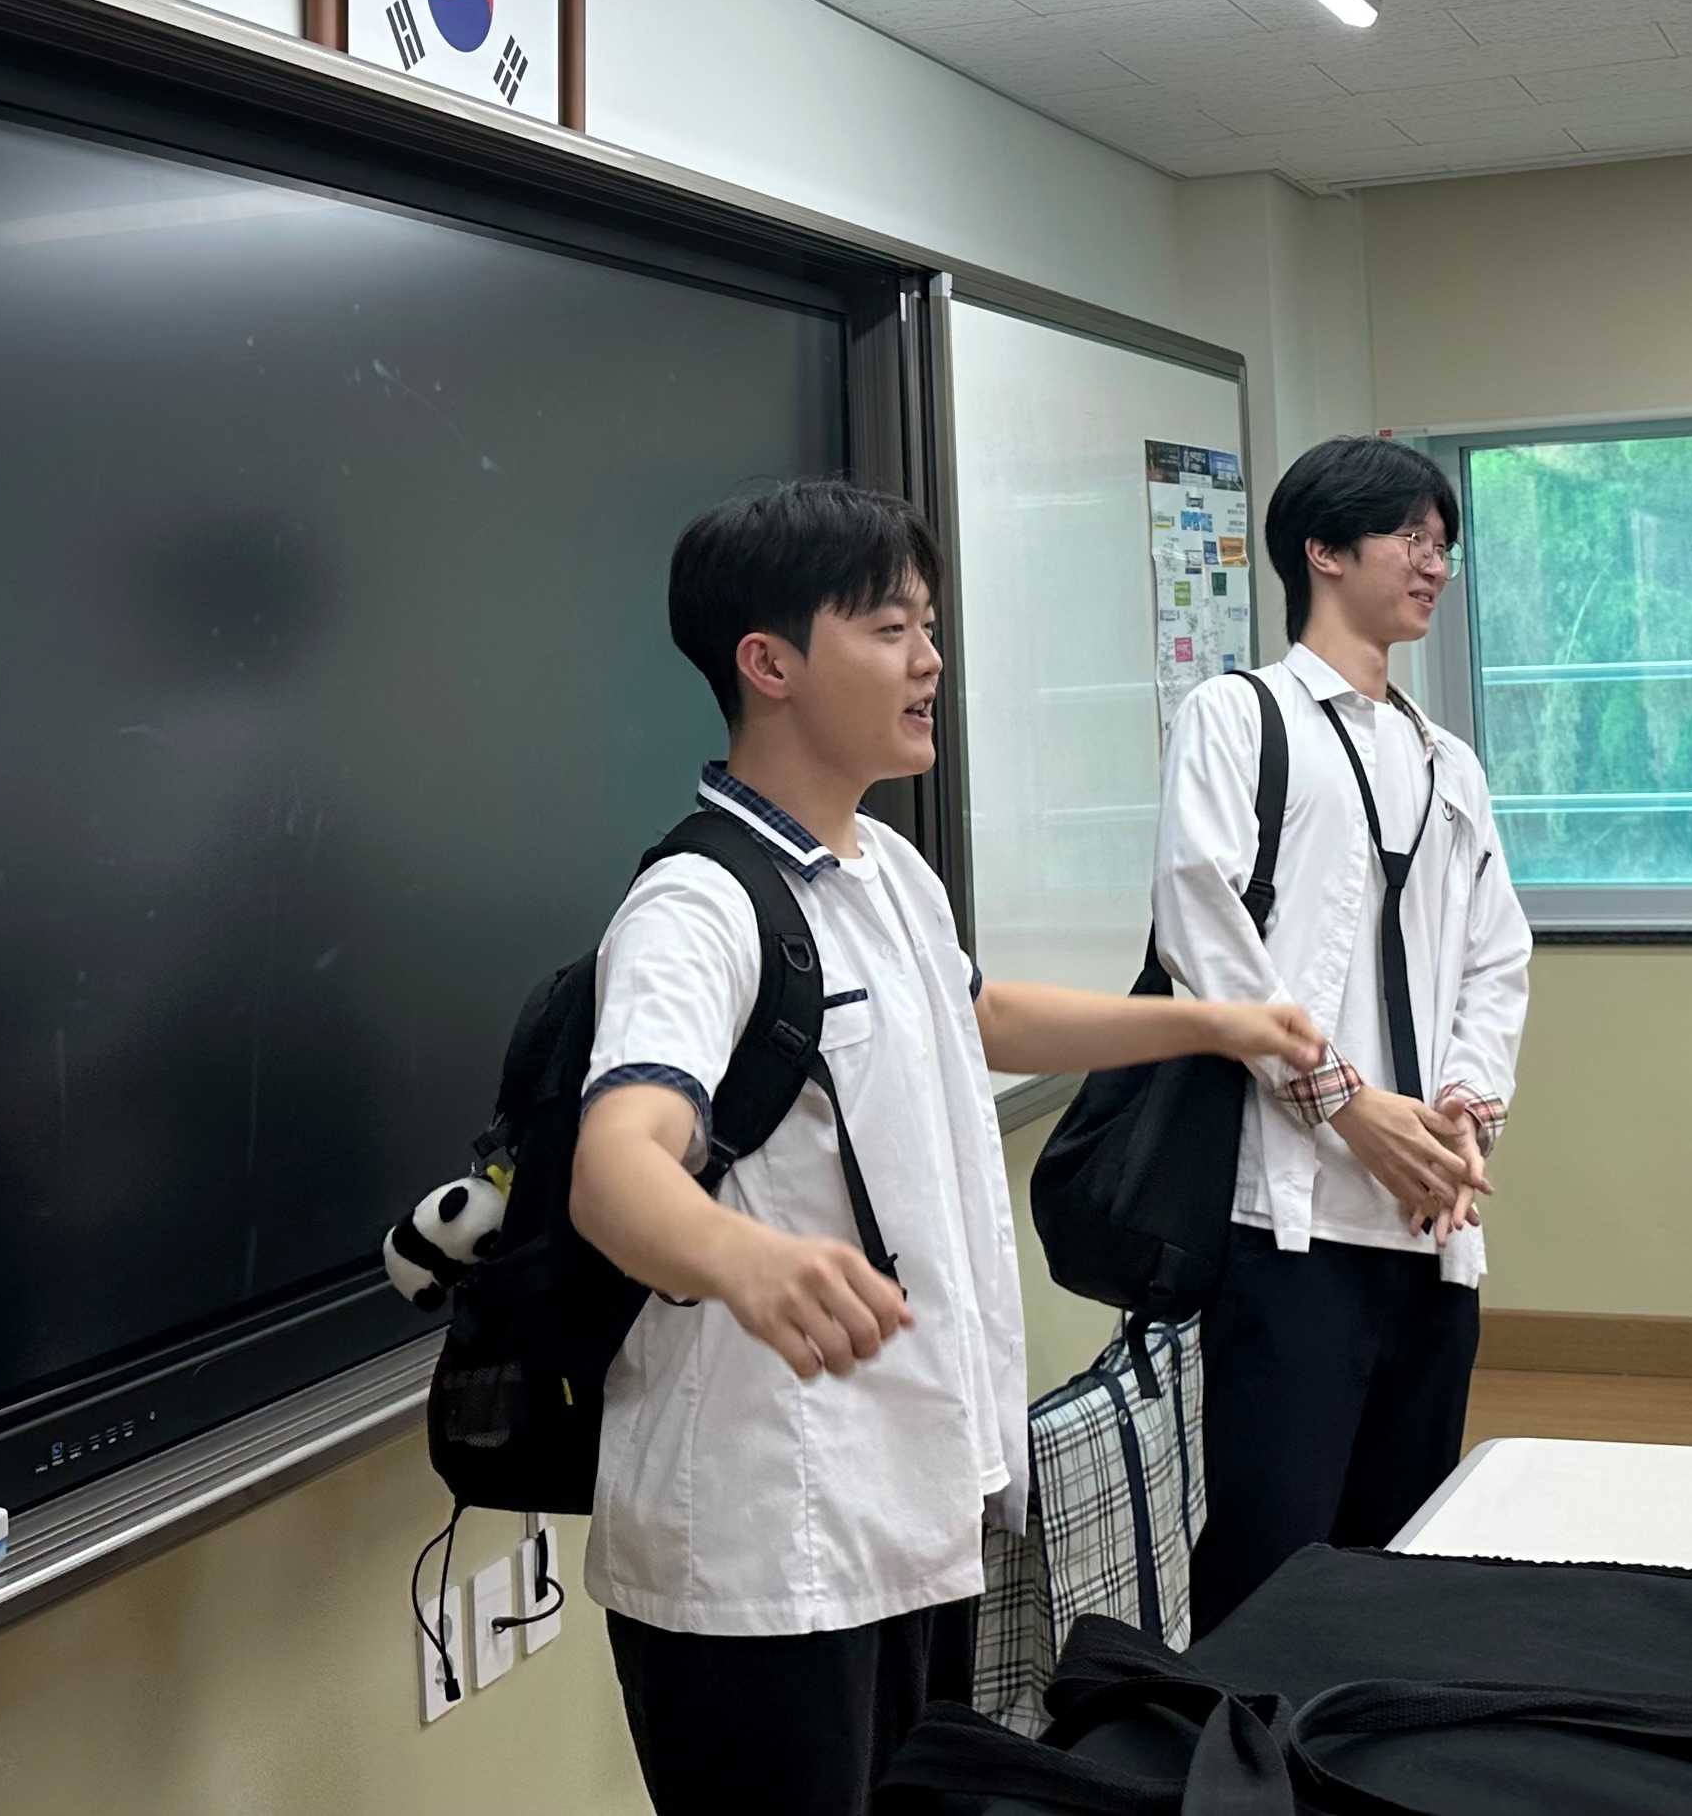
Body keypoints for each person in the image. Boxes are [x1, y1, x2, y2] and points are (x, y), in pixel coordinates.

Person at [567, 479, 1323, 1816]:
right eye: (888, 628)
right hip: (764, 1545)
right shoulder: (695, 906)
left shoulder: (888, 869)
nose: (929, 659)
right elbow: (617, 1161)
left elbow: (978, 1015)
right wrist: (744, 1256)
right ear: (769, 663)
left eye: (927, 624)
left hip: (911, 1507)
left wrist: (1214, 1020)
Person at [1153, 435, 1532, 1632]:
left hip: (1431, 1221)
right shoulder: (1239, 715)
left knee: (1403, 1555)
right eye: (1407, 536)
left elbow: (1496, 953)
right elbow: (1199, 926)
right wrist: (1345, 1103)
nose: (1433, 563)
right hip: (1292, 1219)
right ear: (1321, 549)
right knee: (1272, 1562)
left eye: (1442, 543)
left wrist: (1463, 1107)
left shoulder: (1446, 761)